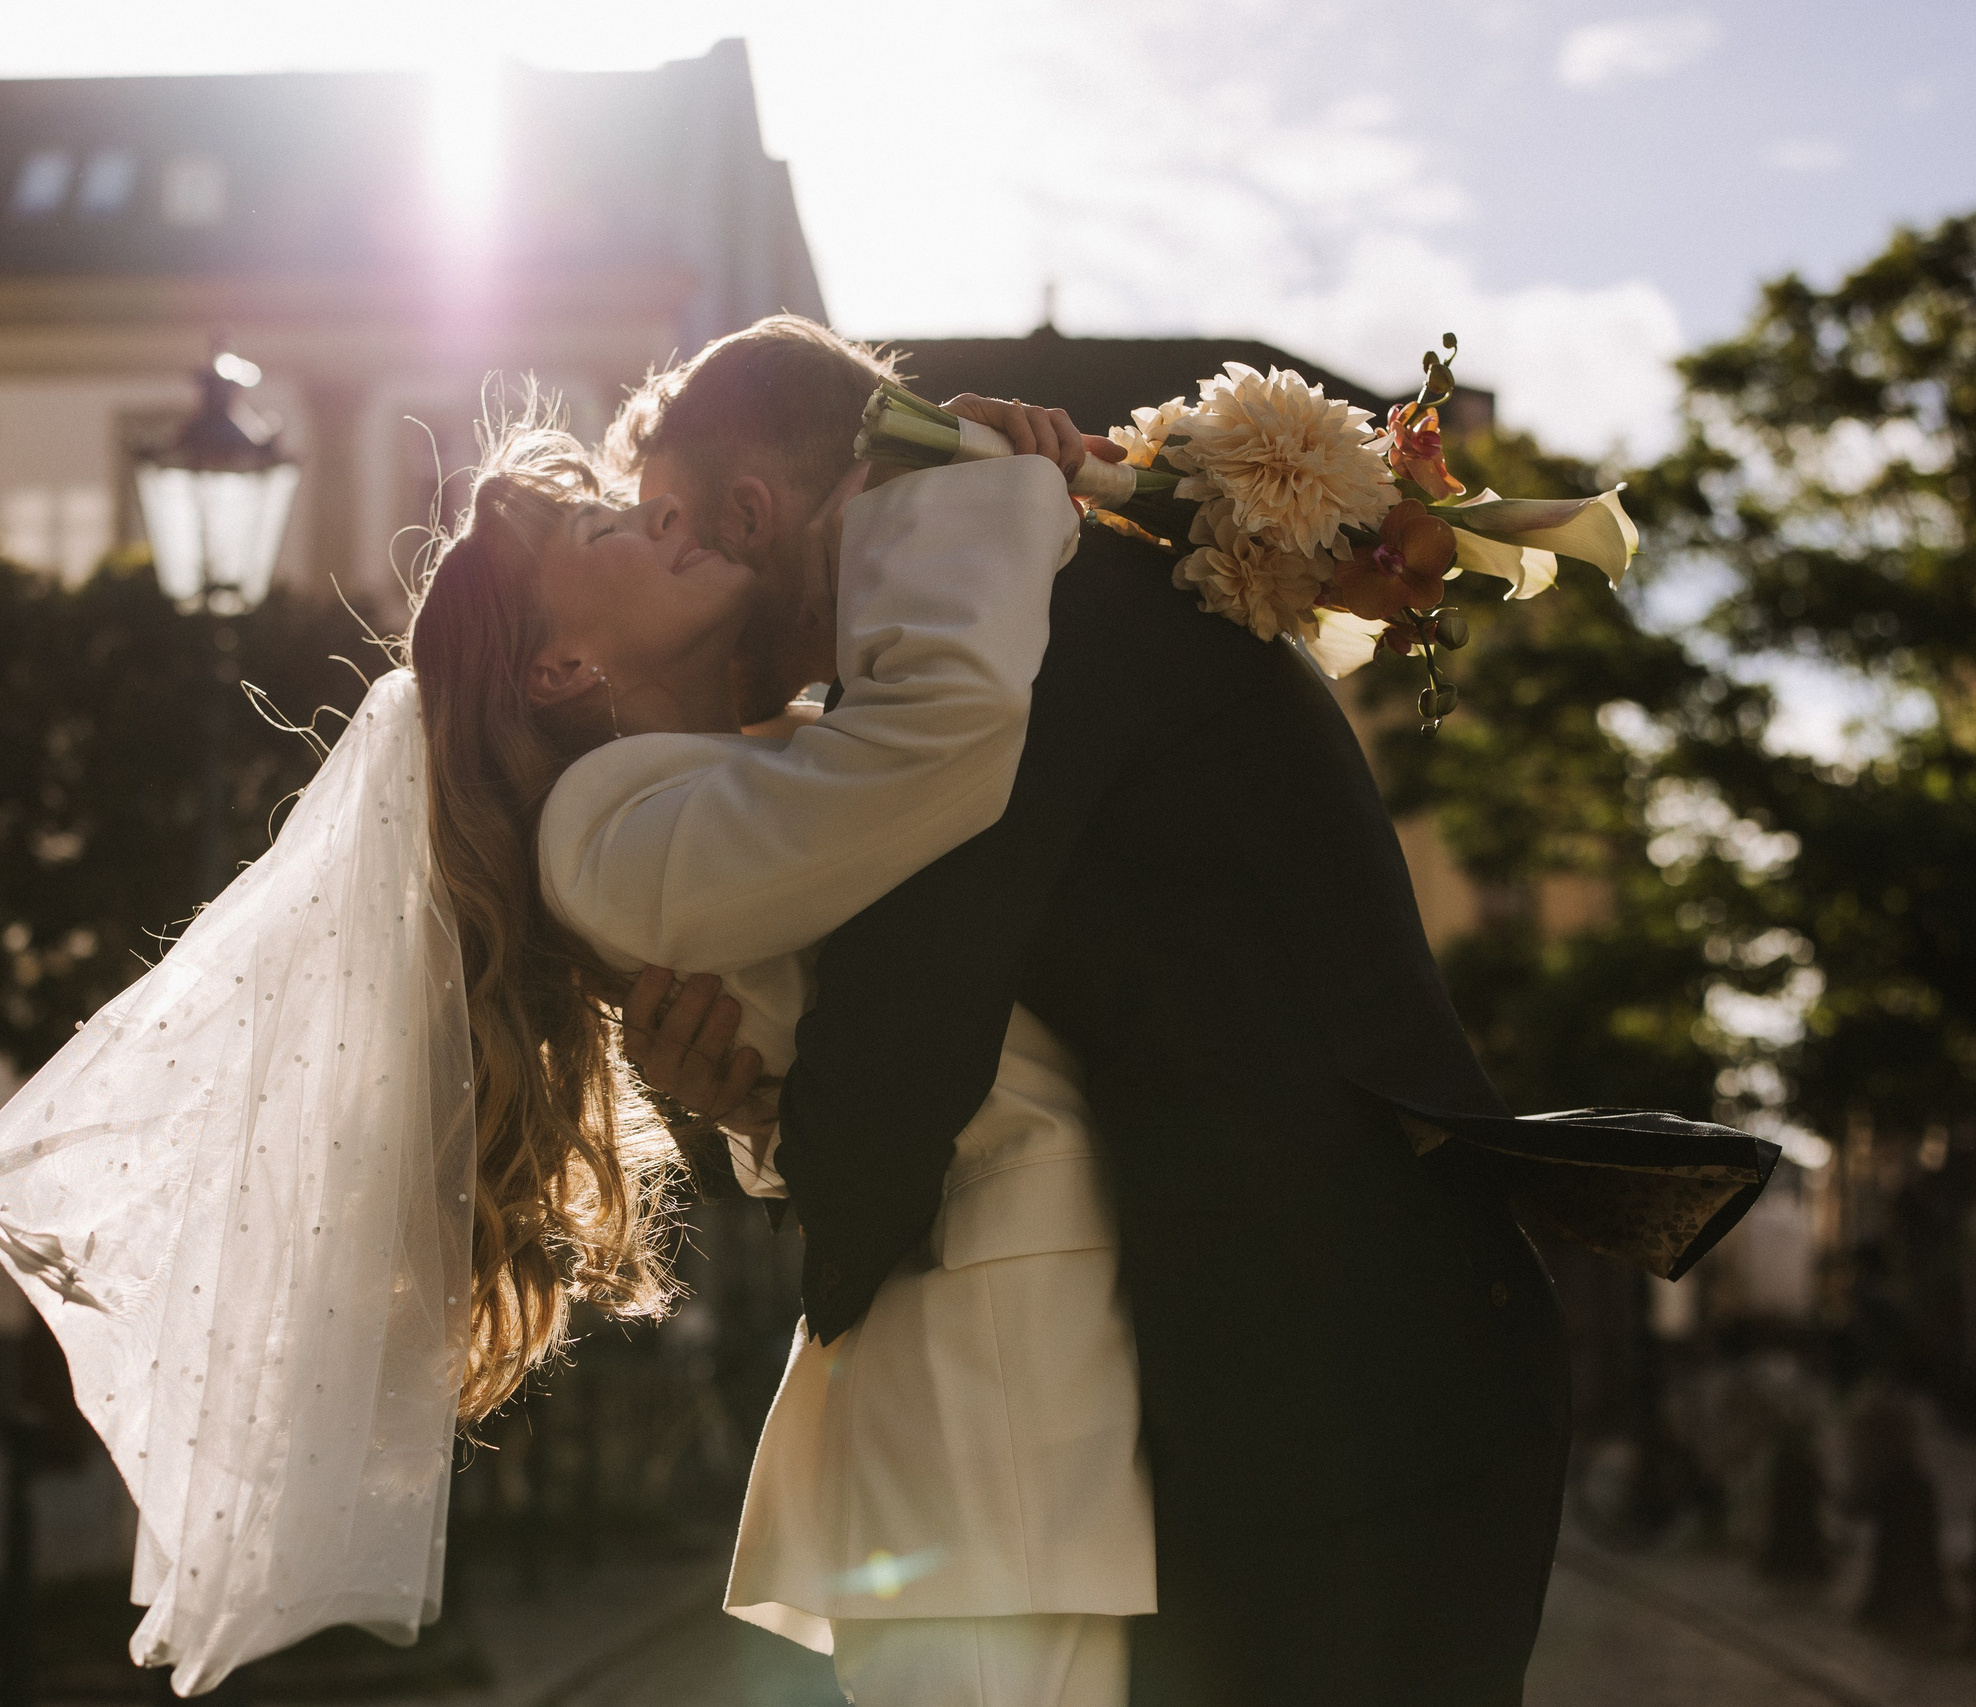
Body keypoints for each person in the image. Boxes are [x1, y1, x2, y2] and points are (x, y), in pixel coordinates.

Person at [0, 392, 1151, 1702]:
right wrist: (978, 486)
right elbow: (944, 736)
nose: (665, 524)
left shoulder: (753, 767)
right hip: (988, 1384)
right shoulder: (604, 826)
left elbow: (878, 1024)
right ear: (560, 669)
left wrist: (762, 1116)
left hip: (1005, 1364)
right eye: (612, 529)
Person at [615, 317, 1572, 1707]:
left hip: (1357, 1401)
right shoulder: (1021, 591)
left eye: (667, 526)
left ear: (755, 512)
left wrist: (782, 1133)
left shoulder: (979, 632)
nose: (661, 565)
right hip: (1336, 1375)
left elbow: (898, 1086)